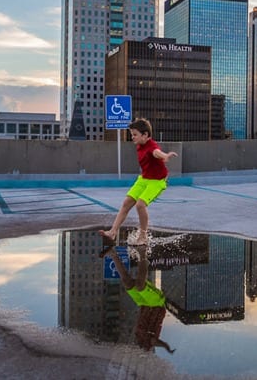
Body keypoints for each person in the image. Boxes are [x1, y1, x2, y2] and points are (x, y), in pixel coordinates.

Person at [99, 118, 178, 246]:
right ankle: (113, 232)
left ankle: (143, 236)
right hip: (144, 178)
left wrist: (165, 156)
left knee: (140, 205)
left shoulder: (151, 145)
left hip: (157, 182)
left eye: (135, 134)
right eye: (131, 134)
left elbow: (156, 152)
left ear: (145, 135)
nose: (132, 137)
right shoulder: (140, 146)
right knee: (126, 203)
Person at [101, 245, 175, 353]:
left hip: (143, 304)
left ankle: (112, 254)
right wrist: (166, 347)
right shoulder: (148, 343)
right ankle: (142, 252)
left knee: (127, 283)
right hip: (157, 303)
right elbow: (155, 341)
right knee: (140, 286)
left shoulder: (138, 336)